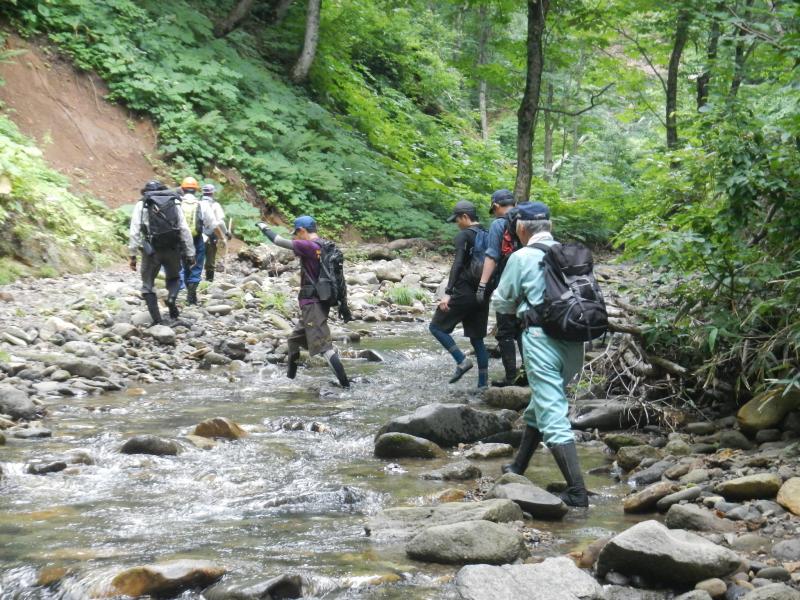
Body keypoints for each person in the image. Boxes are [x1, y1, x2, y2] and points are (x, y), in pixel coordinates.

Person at [490, 201, 588, 508]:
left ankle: (577, 491)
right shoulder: (569, 254)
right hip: (575, 339)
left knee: (552, 411)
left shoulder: (521, 257)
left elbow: (502, 302)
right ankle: (518, 466)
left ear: (521, 228)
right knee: (543, 401)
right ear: (549, 226)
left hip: (541, 339)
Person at [256, 216, 350, 388]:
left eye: (297, 233)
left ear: (302, 231)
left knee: (324, 347)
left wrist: (263, 227)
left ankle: (346, 385)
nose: (296, 237)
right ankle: (289, 381)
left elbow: (278, 240)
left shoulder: (307, 245)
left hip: (312, 303)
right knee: (294, 341)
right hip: (318, 301)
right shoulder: (324, 245)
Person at [429, 200, 490, 388]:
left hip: (463, 292)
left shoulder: (464, 236)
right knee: (477, 339)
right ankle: (482, 385)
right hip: (483, 293)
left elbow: (457, 265)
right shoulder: (488, 235)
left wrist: (447, 293)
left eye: (457, 219)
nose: (457, 223)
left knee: (436, 327)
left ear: (465, 217)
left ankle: (461, 360)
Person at [128, 180, 195, 324]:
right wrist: (190, 253)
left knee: (148, 285)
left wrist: (132, 255)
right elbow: (184, 229)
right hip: (172, 247)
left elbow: (134, 232)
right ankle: (171, 299)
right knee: (174, 278)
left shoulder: (142, 204)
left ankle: (157, 321)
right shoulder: (173, 202)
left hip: (151, 251)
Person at [477, 189, 524, 387]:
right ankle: (529, 374)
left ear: (496, 206)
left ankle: (511, 377)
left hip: (507, 284)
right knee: (525, 328)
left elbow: (492, 256)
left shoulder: (498, 223)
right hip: (531, 283)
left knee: (505, 331)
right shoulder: (529, 220)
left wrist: (482, 285)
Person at [177, 177, 225, 305]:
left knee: (183, 265)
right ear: (196, 190)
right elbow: (213, 225)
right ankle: (191, 295)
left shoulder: (177, 203)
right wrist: (221, 237)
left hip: (180, 240)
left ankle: (183, 290)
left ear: (182, 189)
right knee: (197, 266)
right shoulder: (202, 205)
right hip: (197, 238)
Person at [201, 184, 231, 283]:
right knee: (210, 259)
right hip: (211, 235)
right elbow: (220, 222)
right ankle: (209, 281)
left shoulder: (198, 203)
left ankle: (192, 281)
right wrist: (226, 233)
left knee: (196, 257)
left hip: (198, 234)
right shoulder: (215, 205)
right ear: (212, 193)